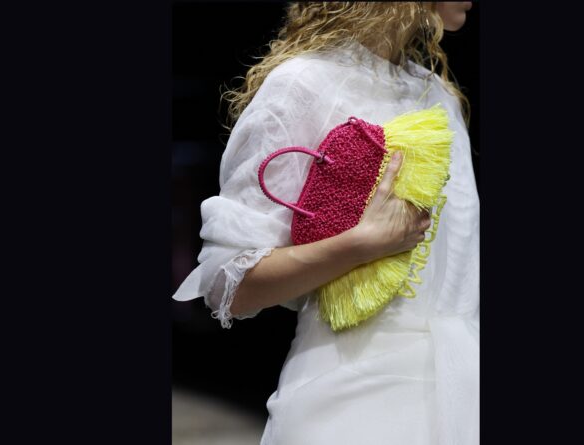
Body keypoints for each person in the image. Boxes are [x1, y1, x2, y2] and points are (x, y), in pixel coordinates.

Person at [172, 2, 478, 444]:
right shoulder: (304, 85)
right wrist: (359, 245)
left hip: (457, 395)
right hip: (346, 404)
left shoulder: (438, 95)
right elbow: (230, 286)